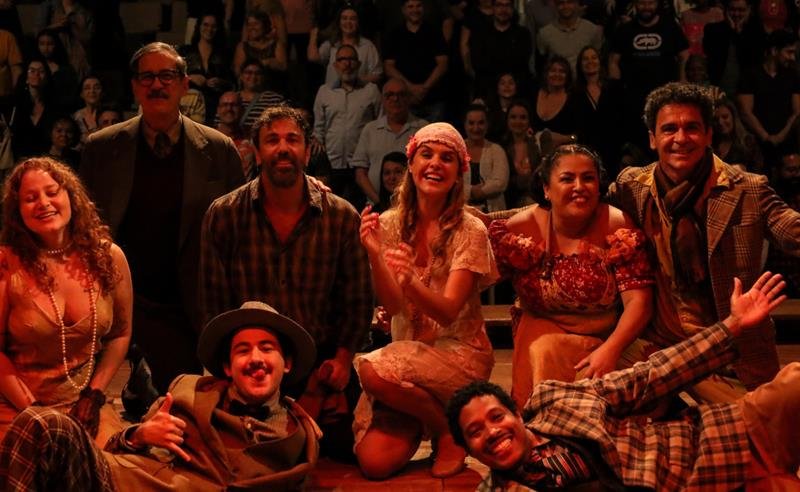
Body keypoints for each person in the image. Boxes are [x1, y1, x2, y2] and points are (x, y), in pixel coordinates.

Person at [448, 272, 800, 491]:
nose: (492, 432)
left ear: (516, 413)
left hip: (728, 438)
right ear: (469, 450)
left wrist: (732, 326)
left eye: (496, 417)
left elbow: (650, 376)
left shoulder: (554, 402)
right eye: (475, 432)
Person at [0, 300, 322, 491]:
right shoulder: (189, 389)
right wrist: (138, 435)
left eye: (267, 348)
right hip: (115, 479)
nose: (255, 359)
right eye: (243, 350)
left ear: (287, 363)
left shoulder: (295, 436)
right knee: (43, 424)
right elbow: (116, 446)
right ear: (227, 367)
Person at [200, 105, 372, 461]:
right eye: (272, 140)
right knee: (237, 458)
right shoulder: (225, 214)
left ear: (307, 152)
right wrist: (228, 374)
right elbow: (215, 305)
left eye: (292, 140)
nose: (283, 148)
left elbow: (356, 301)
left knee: (359, 455)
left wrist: (342, 362)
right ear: (256, 152)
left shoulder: (341, 216)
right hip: (250, 363)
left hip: (321, 366)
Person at [609, 82, 800, 399]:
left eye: (692, 128)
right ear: (652, 138)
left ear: (709, 134)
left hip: (731, 356)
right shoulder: (632, 187)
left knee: (768, 422)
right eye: (669, 129)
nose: (681, 138)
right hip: (658, 350)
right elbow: (576, 211)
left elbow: (793, 230)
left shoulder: (747, 189)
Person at [80, 42, 244, 394]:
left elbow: (239, 231)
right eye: (147, 77)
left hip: (187, 308)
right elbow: (83, 227)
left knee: (177, 406)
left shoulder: (219, 150)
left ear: (185, 85)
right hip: (118, 304)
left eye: (167, 76)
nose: (157, 85)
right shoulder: (101, 148)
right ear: (134, 86)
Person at [356, 122, 497, 479]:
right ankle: (437, 417)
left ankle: (449, 432)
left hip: (459, 356)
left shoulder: (470, 229)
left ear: (458, 172)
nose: (435, 163)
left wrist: (411, 282)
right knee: (374, 462)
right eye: (427, 155)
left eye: (447, 158)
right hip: (408, 360)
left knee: (371, 370)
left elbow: (448, 313)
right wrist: (375, 256)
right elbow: (394, 305)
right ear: (412, 164)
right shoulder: (390, 224)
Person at [489, 144, 654, 409]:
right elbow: (475, 278)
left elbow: (639, 303)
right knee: (543, 349)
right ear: (546, 189)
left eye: (588, 178)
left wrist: (610, 350)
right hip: (538, 337)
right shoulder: (521, 228)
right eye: (567, 179)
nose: (579, 187)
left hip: (605, 343)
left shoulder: (617, 225)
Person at [0, 157, 132, 447]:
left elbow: (120, 334)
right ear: (17, 211)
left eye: (52, 192)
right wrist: (36, 411)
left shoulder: (108, 257)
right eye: (30, 198)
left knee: (119, 466)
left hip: (82, 407)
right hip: (18, 407)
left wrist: (93, 395)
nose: (43, 203)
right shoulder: (6, 263)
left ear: (71, 196)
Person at [312, 43, 382, 207]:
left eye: (351, 59)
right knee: (331, 209)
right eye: (342, 59)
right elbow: (319, 127)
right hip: (331, 165)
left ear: (358, 64)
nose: (347, 64)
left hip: (361, 166)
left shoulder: (371, 91)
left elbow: (379, 123)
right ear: (335, 65)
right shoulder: (324, 92)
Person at [352, 78, 427, 205]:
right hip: (376, 205)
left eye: (400, 94)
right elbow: (360, 173)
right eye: (389, 95)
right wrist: (379, 202)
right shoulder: (370, 130)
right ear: (382, 100)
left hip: (413, 205)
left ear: (408, 98)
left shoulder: (423, 129)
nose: (395, 99)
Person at [382, 0, 449, 122]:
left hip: (434, 99)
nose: (415, 10)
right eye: (410, 6)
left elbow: (443, 64)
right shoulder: (395, 34)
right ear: (403, 10)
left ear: (423, 8)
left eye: (418, 6)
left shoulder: (434, 31)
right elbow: (388, 67)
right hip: (405, 99)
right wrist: (410, 88)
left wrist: (425, 88)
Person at [308, 5, 382, 85]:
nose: (348, 22)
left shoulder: (368, 46)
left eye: (352, 19)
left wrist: (355, 82)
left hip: (358, 91)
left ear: (358, 23)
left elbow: (377, 74)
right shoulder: (332, 43)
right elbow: (313, 57)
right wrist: (313, 36)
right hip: (332, 91)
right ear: (339, 23)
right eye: (344, 18)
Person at [183, 13, 234, 124]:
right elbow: (175, 77)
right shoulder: (186, 51)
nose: (209, 29)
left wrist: (220, 82)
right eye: (206, 25)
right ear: (199, 27)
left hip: (216, 106)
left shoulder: (224, 54)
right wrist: (190, 78)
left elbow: (233, 82)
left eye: (213, 26)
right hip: (191, 106)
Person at [464, 103, 509, 212]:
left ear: (487, 125)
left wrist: (480, 192)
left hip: (493, 213)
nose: (476, 128)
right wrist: (470, 191)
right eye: (471, 123)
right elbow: (451, 183)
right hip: (462, 212)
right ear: (465, 125)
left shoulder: (496, 150)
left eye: (481, 123)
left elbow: (500, 183)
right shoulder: (457, 149)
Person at [536, 0, 602, 74]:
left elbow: (598, 61)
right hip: (558, 79)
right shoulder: (544, 33)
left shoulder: (592, 30)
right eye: (561, 3)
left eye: (570, 2)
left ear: (576, 4)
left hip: (585, 80)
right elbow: (541, 66)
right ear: (555, 6)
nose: (565, 6)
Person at [501, 99, 543, 208]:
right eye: (513, 117)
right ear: (507, 120)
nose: (518, 122)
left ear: (529, 121)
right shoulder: (500, 147)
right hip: (509, 202)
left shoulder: (537, 145)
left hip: (535, 199)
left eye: (523, 117)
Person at [531, 56, 579, 148]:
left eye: (562, 71)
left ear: (568, 76)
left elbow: (580, 135)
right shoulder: (533, 94)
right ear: (546, 73)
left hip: (564, 152)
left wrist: (564, 138)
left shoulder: (574, 100)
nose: (557, 74)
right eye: (553, 70)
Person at [712, 96, 762, 172]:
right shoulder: (711, 144)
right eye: (716, 119)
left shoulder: (747, 142)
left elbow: (758, 172)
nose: (720, 122)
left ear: (733, 117)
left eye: (725, 117)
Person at [216, 90, 258, 179]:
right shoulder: (208, 139)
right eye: (225, 105)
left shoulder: (252, 139)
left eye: (234, 105)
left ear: (242, 110)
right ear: (218, 110)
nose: (229, 109)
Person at [72, 74, 103, 145]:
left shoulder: (108, 114)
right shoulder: (77, 116)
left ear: (102, 92)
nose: (92, 91)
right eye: (87, 88)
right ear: (81, 94)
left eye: (97, 87)